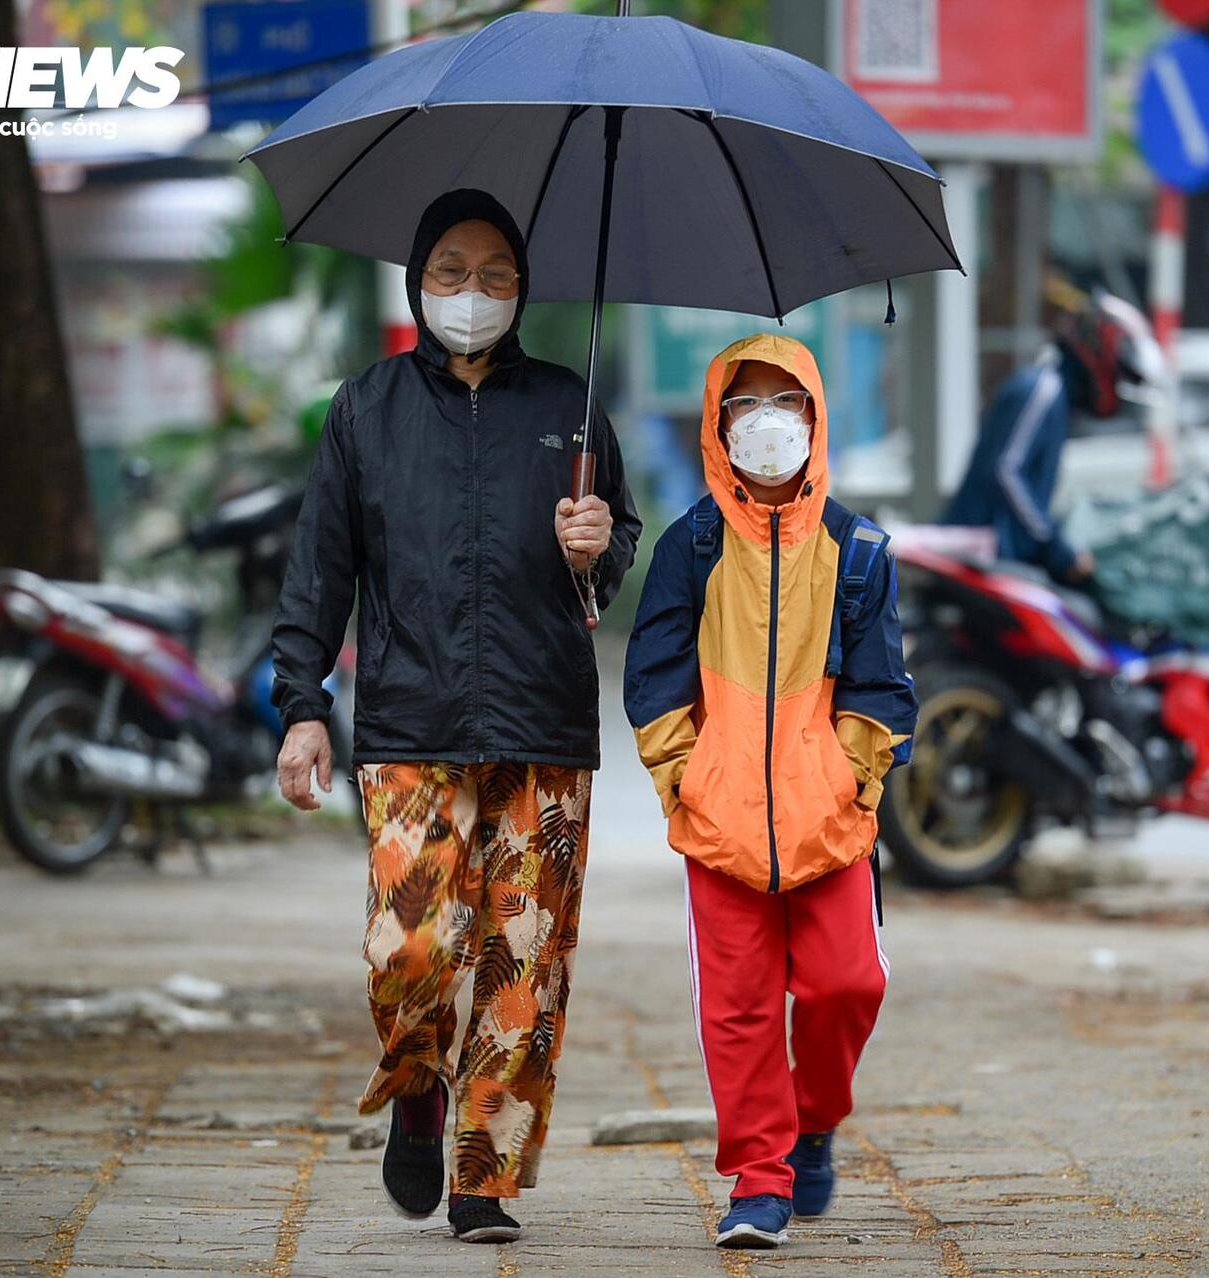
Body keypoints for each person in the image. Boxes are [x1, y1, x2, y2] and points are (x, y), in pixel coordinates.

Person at [271, 189, 641, 1245]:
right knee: (412, 953)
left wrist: (597, 545)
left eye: (494, 275)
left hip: (544, 728)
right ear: (416, 282)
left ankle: (485, 1178)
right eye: (449, 271)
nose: (471, 294)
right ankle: (420, 1081)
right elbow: (317, 576)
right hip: (410, 725)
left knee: (523, 964)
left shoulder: (572, 408)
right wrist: (304, 709)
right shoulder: (367, 410)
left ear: (522, 289)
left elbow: (609, 568)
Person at [624, 333, 916, 1250]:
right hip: (720, 826)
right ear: (717, 425)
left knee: (845, 985)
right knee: (738, 1006)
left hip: (830, 823)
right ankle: (759, 1179)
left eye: (786, 402)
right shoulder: (691, 544)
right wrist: (686, 782)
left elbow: (883, 686)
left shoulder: (860, 550)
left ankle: (815, 1116)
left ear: (816, 417)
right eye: (745, 404)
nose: (767, 422)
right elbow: (656, 674)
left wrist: (852, 781)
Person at [941, 340, 1094, 584]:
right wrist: (1057, 548)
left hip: (997, 553)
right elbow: (1006, 470)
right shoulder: (1042, 389)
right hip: (986, 552)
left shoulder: (1050, 392)